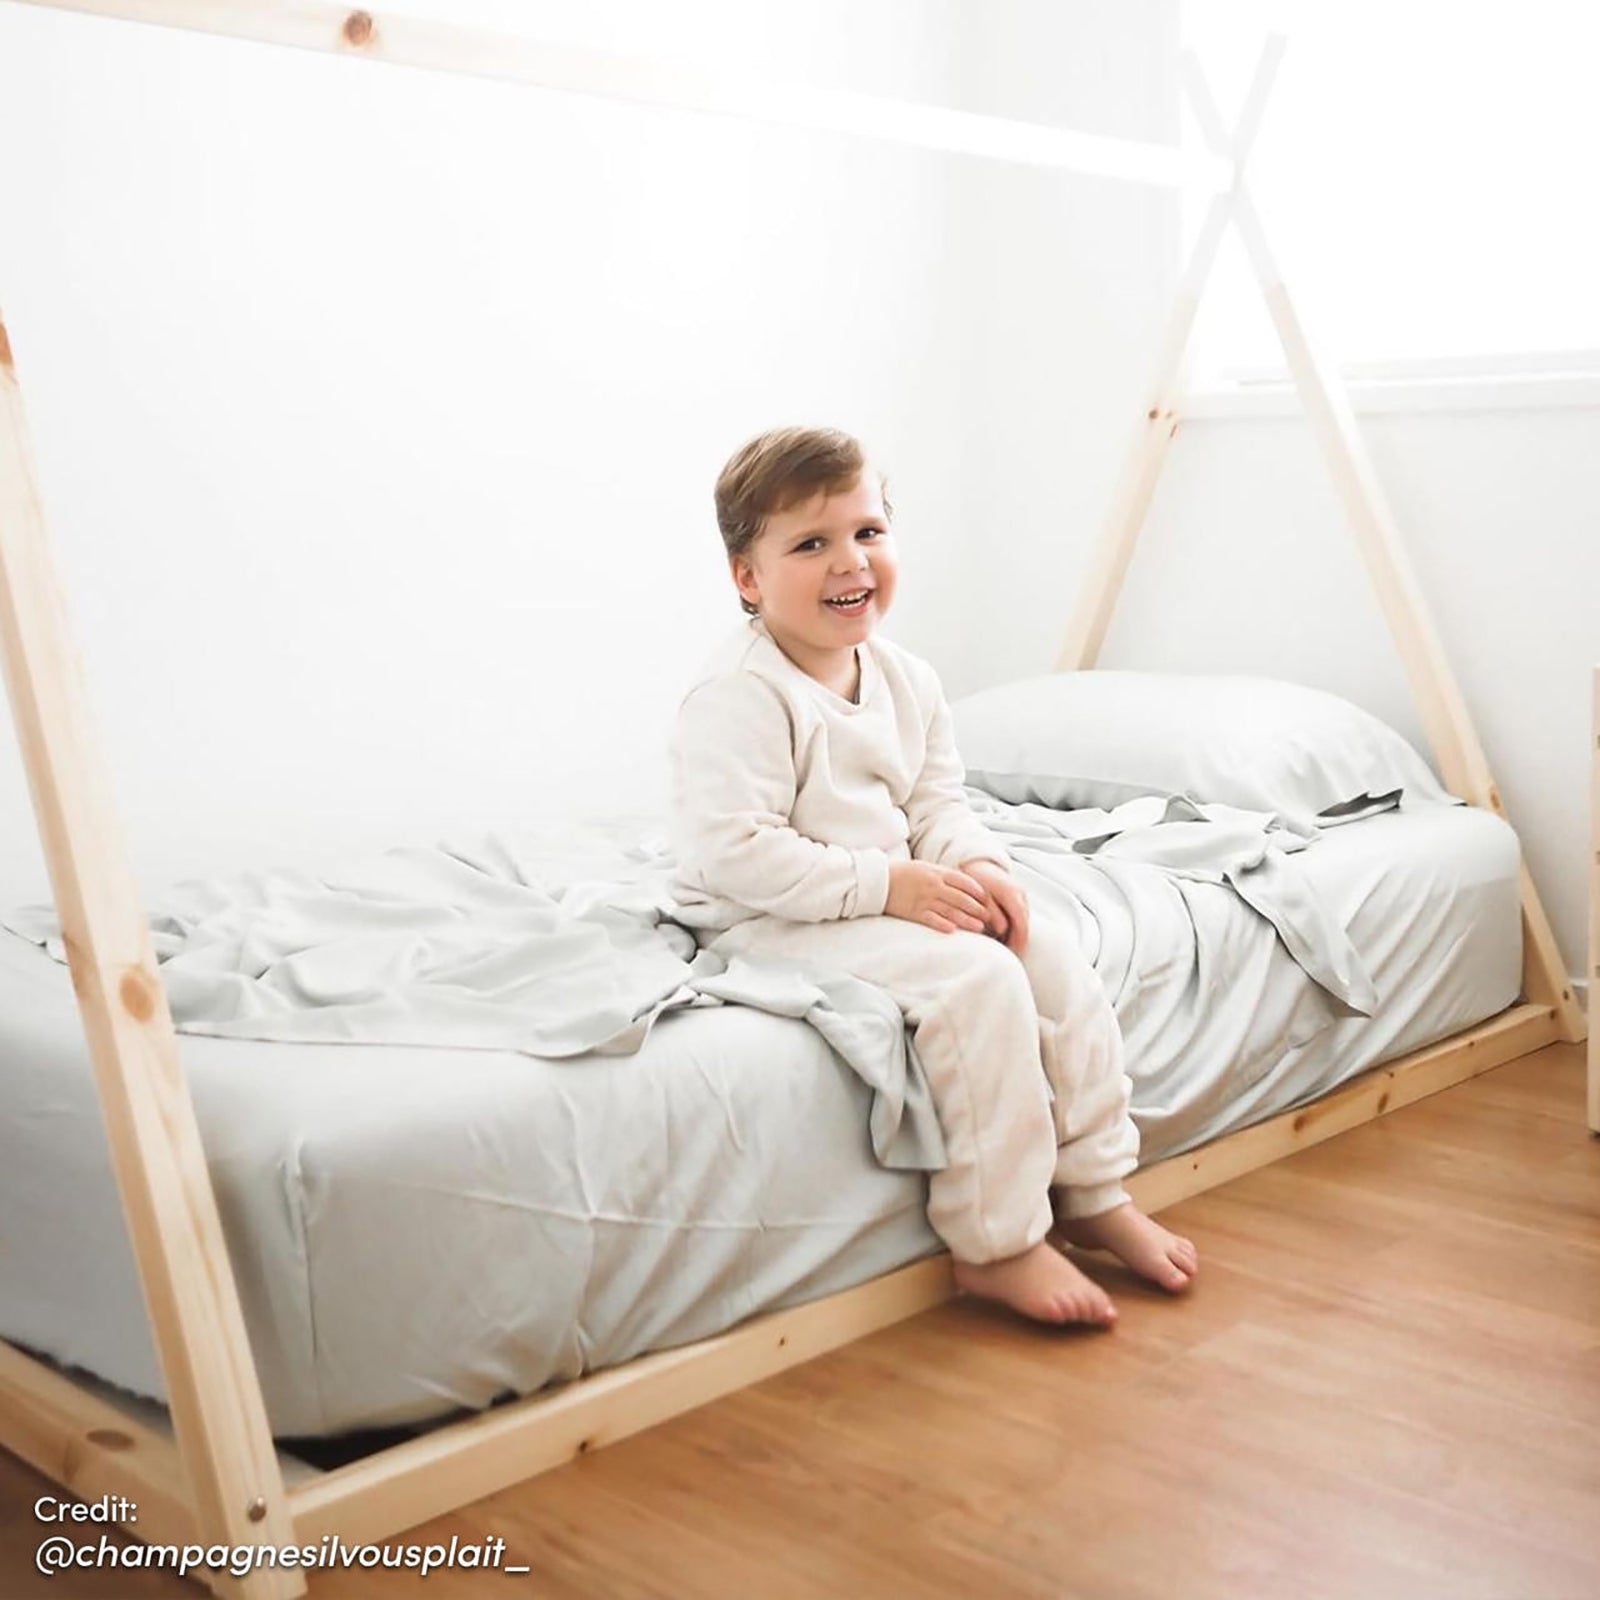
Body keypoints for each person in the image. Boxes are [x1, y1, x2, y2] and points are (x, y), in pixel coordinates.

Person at [668, 425, 1197, 1325]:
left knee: (1047, 952)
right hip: (761, 915)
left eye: (868, 532)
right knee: (976, 984)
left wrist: (976, 866)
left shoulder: (906, 679)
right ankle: (998, 1242)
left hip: (872, 896)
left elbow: (938, 805)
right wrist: (893, 886)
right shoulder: (740, 696)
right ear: (747, 579)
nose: (851, 562)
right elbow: (736, 853)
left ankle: (1097, 1188)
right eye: (811, 544)